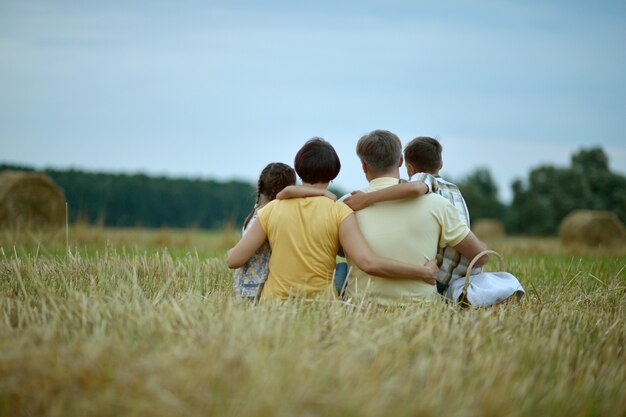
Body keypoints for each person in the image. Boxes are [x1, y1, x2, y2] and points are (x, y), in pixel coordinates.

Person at [226, 138, 439, 301]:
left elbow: (234, 260)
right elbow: (367, 262)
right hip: (321, 307)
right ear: (333, 175)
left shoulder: (271, 209)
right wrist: (423, 272)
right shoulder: (339, 211)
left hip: (273, 306)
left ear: (299, 170)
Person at [339, 130, 488, 305]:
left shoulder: (346, 204)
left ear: (363, 165)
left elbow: (341, 251)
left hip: (362, 304)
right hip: (422, 306)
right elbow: (480, 257)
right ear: (401, 161)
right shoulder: (438, 204)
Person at [232, 162, 297, 301]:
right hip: (256, 287)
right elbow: (234, 260)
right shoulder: (268, 216)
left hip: (246, 285)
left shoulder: (257, 210)